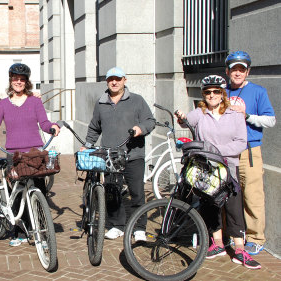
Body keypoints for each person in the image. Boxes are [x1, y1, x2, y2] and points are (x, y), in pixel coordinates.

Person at [175, 75, 261, 269]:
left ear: (222, 94)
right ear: (203, 95)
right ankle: (218, 244)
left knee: (233, 205)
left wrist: (216, 151)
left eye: (215, 92)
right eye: (207, 92)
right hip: (206, 168)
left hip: (228, 166)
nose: (211, 95)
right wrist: (181, 117)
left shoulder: (235, 114)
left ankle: (239, 249)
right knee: (210, 205)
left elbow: (240, 142)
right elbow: (185, 122)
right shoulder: (200, 113)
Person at [0, 63, 60, 247]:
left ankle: (40, 232)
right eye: (15, 78)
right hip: (13, 155)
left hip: (34, 154)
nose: (18, 82)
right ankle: (18, 232)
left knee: (39, 192)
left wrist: (52, 127)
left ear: (26, 82)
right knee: (15, 195)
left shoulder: (35, 101)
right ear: (11, 80)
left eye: (22, 79)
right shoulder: (3, 104)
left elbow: (44, 123)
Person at [81, 66, 155, 242]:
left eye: (118, 79)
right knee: (112, 192)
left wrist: (141, 128)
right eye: (111, 79)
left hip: (133, 154)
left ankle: (139, 228)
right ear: (107, 81)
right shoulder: (101, 103)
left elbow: (150, 121)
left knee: (137, 193)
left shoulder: (137, 100)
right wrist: (88, 145)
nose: (114, 82)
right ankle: (117, 225)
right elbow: (94, 127)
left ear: (124, 80)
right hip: (110, 156)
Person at [224, 51, 276, 255]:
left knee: (252, 196)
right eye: (234, 69)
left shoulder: (258, 92)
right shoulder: (221, 91)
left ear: (248, 71)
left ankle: (255, 237)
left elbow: (270, 120)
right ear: (227, 71)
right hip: (226, 152)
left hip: (249, 151)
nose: (237, 73)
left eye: (241, 69)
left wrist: (247, 116)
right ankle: (232, 233)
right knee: (226, 195)